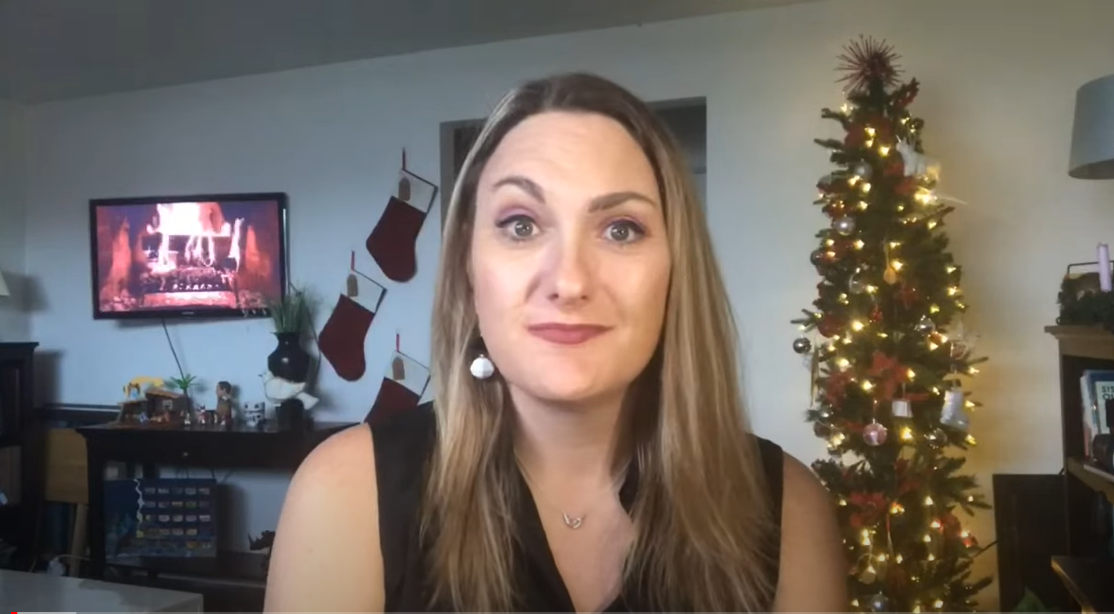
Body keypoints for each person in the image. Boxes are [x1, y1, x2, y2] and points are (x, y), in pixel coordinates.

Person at [263, 73, 845, 612]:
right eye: (521, 224)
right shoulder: (345, 497)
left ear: (675, 269)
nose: (569, 281)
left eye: (621, 229)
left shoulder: (787, 507)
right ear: (469, 263)